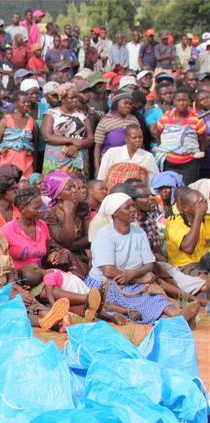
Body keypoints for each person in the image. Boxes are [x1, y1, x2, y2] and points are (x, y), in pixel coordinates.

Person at [86, 193, 185, 324]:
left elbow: (149, 263)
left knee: (156, 299)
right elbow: (109, 271)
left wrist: (133, 274)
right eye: (128, 207)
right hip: (108, 284)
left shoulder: (139, 233)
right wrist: (140, 278)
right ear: (115, 213)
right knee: (146, 300)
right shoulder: (105, 235)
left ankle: (177, 316)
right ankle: (178, 318)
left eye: (133, 206)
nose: (133, 209)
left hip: (131, 281)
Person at [155, 89, 206, 185]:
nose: (182, 103)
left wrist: (194, 155)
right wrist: (167, 148)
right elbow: (158, 136)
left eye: (185, 100)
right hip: (169, 162)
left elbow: (203, 142)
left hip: (189, 164)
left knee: (187, 190)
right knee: (170, 189)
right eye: (178, 100)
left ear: (190, 102)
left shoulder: (197, 119)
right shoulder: (165, 117)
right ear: (174, 102)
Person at [41, 82, 92, 176]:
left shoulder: (82, 115)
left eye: (77, 97)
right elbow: (47, 137)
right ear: (63, 99)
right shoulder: (51, 114)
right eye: (72, 97)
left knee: (77, 185)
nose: (75, 100)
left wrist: (77, 146)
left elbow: (90, 139)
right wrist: (72, 141)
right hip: (56, 159)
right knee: (56, 185)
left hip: (77, 157)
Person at [0, 90, 36, 178]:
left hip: (26, 164)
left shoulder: (31, 122)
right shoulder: (6, 120)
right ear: (16, 104)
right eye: (24, 102)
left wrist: (34, 168)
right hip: (8, 163)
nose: (27, 104)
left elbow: (34, 146)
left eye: (28, 102)